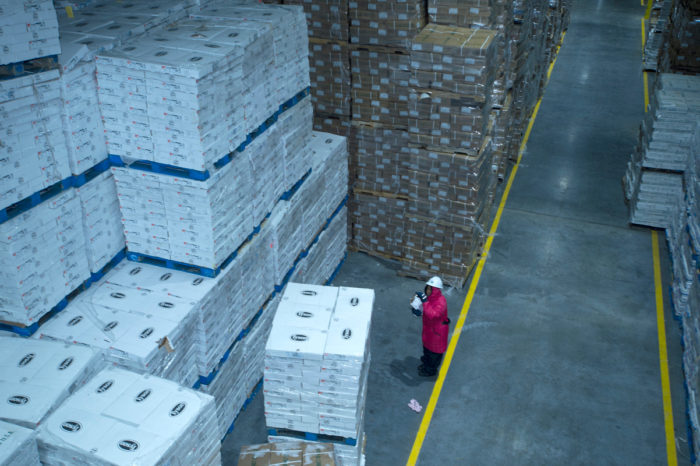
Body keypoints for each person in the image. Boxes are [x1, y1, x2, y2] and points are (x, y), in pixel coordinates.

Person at [414, 276, 449, 377]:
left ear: (436, 290)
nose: (428, 290)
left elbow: (433, 315)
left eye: (430, 288)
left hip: (437, 333)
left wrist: (424, 302)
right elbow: (426, 309)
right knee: (427, 350)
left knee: (434, 354)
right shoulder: (429, 299)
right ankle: (426, 365)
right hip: (429, 331)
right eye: (427, 287)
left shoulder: (441, 301)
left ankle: (430, 370)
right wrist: (418, 311)